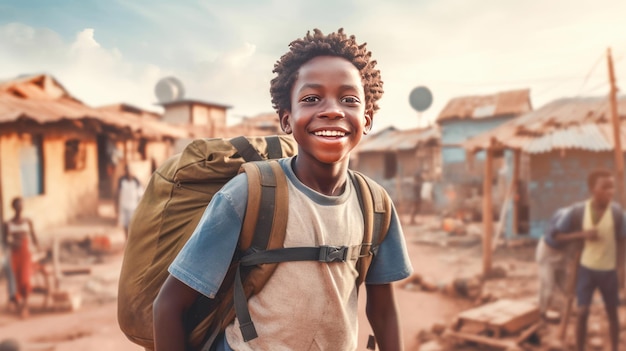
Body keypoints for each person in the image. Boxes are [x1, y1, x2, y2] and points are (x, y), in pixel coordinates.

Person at [153, 28, 413, 351]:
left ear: (367, 118)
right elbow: (168, 305)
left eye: (349, 99)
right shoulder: (249, 195)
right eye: (311, 99)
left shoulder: (375, 206)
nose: (332, 110)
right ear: (287, 119)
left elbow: (384, 311)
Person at [546, 169, 625, 351]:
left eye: (612, 187)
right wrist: (582, 235)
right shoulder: (578, 211)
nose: (610, 191)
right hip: (586, 270)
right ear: (592, 189)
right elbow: (556, 235)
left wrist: (621, 270)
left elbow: (623, 241)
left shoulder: (617, 213)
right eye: (605, 187)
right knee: (582, 312)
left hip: (609, 272)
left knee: (613, 313)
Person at [1, 197, 39, 318]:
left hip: (26, 252)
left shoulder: (28, 221)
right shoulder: (8, 224)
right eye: (17, 205)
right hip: (14, 253)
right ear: (14, 208)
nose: (20, 208)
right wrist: (12, 243)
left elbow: (34, 237)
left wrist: (38, 248)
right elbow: (4, 241)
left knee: (25, 279)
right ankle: (18, 304)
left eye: (21, 205)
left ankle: (25, 305)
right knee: (15, 279)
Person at [535, 207, 569, 318]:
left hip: (563, 253)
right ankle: (542, 312)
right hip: (547, 253)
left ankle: (566, 311)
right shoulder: (564, 216)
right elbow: (554, 237)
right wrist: (580, 235)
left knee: (567, 287)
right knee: (548, 287)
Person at [116, 164, 143, 238]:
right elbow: (118, 194)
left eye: (130, 170)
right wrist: (117, 208)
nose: (128, 172)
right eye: (127, 170)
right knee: (125, 225)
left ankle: (131, 240)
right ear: (125, 171)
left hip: (133, 207)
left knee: (132, 225)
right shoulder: (121, 181)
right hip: (124, 207)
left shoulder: (136, 181)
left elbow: (140, 195)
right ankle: (126, 240)